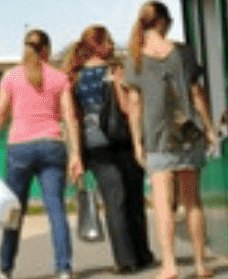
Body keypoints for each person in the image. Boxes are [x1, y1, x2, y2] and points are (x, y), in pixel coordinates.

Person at [0, 29, 84, 279]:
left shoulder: (11, 77)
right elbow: (70, 118)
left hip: (20, 149)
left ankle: (5, 266)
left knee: (14, 210)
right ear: (46, 50)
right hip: (52, 146)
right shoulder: (59, 78)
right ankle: (64, 268)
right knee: (55, 208)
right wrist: (76, 154)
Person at [124, 1, 220, 279]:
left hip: (156, 137)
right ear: (163, 22)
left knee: (162, 204)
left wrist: (137, 141)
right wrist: (209, 128)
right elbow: (197, 93)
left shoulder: (134, 58)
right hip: (187, 133)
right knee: (193, 201)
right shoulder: (183, 52)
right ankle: (200, 264)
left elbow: (134, 104)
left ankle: (169, 265)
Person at [65, 26, 154, 274]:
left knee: (114, 201)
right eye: (109, 41)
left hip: (93, 147)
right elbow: (127, 108)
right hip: (123, 141)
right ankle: (140, 254)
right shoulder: (114, 71)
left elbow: (73, 118)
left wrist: (76, 153)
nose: (113, 44)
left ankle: (125, 259)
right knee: (133, 198)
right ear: (98, 45)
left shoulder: (74, 78)